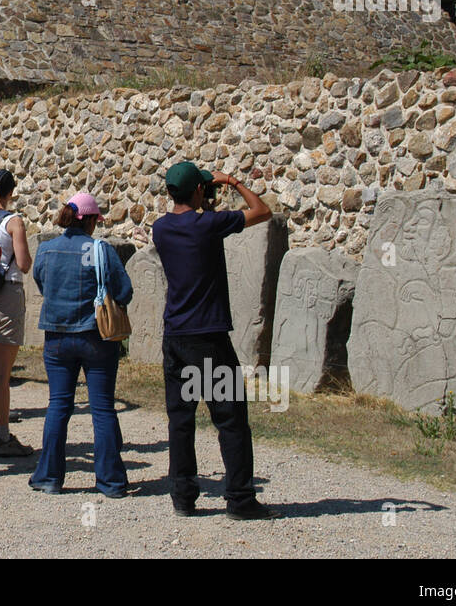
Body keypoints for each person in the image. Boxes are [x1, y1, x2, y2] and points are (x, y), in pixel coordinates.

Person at [151, 162, 278, 520]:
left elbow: (192, 216)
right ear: (197, 191)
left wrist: (203, 191)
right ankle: (239, 498)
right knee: (231, 420)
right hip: (207, 336)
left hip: (175, 335)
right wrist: (233, 182)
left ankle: (183, 496)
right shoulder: (208, 224)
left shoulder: (160, 228)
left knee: (181, 420)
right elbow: (262, 211)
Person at [29, 191, 134, 498]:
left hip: (57, 337)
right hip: (95, 337)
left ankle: (49, 477)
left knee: (59, 405)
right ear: (90, 221)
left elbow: (40, 283)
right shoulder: (102, 250)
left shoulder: (46, 250)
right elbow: (125, 291)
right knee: (102, 408)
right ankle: (111, 482)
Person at [0, 170, 35, 456]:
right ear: (11, 191)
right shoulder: (13, 222)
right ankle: (3, 436)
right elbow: (24, 263)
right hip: (7, 294)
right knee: (1, 373)